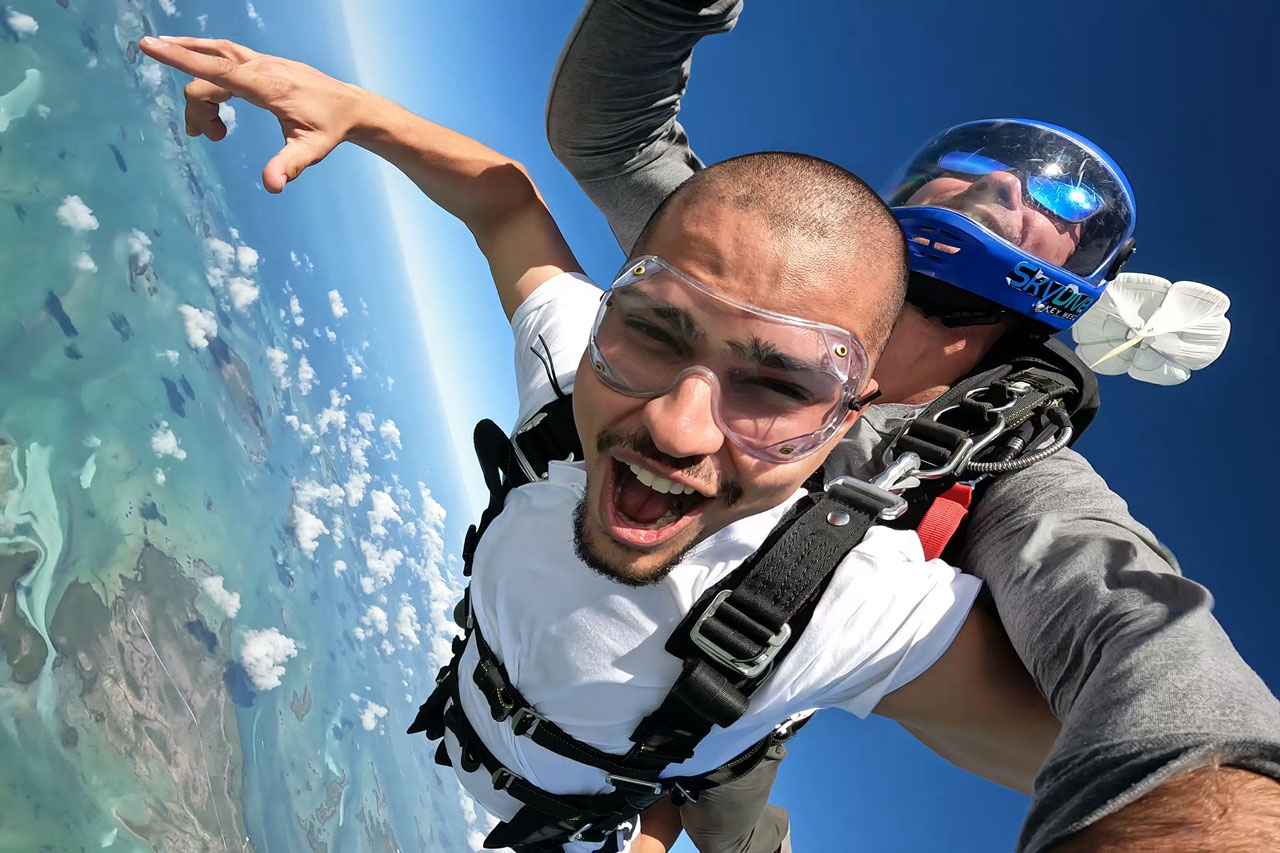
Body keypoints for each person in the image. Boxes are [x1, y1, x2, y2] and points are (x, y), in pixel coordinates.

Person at [140, 35, 1074, 853]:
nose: (675, 424)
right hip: (514, 740)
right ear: (608, 314)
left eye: (782, 383)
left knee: (736, 814)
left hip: (627, 788)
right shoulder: (567, 384)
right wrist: (361, 110)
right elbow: (504, 206)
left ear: (849, 414)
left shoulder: (848, 599)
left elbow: (1150, 774)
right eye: (655, 330)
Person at [545, 1, 1280, 851]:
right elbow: (610, 136)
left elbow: (1130, 622)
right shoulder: (765, 272)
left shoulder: (1007, 467)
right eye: (975, 164)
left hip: (733, 686)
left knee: (728, 818)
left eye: (1059, 198)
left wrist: (1212, 791)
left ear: (1074, 275)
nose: (1007, 182)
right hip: (592, 598)